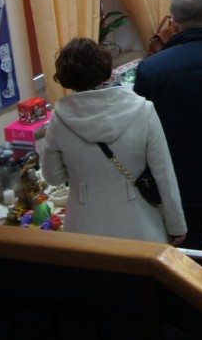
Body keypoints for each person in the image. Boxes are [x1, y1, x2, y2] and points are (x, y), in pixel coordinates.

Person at [42, 37, 186, 245]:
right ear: (107, 69)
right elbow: (164, 175)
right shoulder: (143, 109)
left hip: (82, 226)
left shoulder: (59, 118)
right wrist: (176, 225)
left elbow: (53, 177)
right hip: (139, 221)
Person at [133, 0, 202, 250]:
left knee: (187, 252)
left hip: (179, 175)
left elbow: (140, 127)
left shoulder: (151, 68)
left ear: (173, 23)